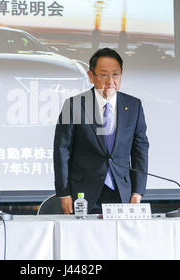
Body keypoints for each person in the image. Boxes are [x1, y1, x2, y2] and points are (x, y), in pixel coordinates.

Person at [53, 48, 149, 214]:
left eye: (115, 74)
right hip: (83, 194)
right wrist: (64, 193)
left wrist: (137, 192)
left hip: (122, 192)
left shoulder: (134, 106)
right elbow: (62, 151)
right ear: (91, 76)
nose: (110, 81)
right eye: (104, 75)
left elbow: (140, 150)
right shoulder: (75, 105)